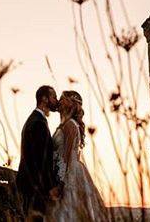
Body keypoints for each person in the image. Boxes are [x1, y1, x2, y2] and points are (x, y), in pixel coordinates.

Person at [48, 90, 107, 221]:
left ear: (70, 103)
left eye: (62, 99)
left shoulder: (70, 125)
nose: (59, 101)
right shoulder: (65, 124)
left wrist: (60, 183)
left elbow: (66, 156)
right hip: (69, 169)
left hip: (69, 173)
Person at [16, 85, 60, 220]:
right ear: (44, 99)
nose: (56, 101)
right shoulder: (38, 123)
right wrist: (51, 186)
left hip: (30, 183)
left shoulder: (35, 119)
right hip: (35, 185)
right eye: (54, 97)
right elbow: (42, 159)